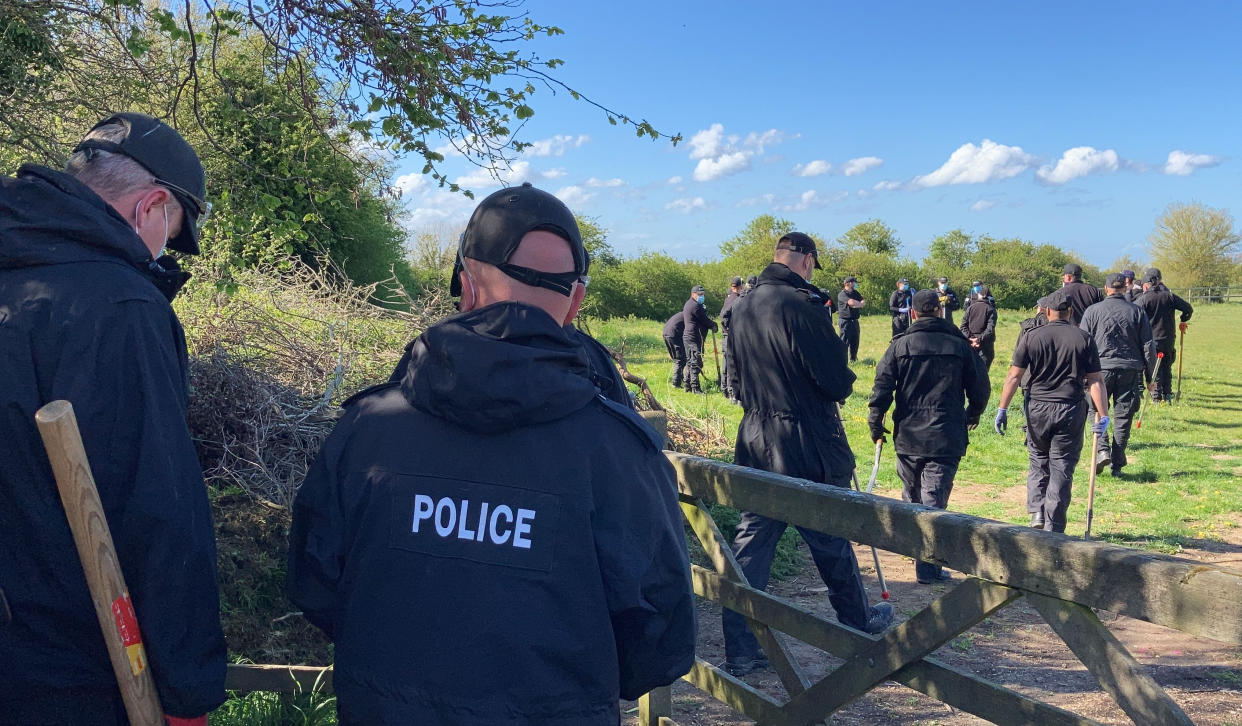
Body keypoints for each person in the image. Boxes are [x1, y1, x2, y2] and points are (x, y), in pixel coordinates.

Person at [287, 183, 696, 723]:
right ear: (574, 303)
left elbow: (314, 585)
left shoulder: (367, 428)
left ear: (466, 286)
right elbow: (659, 638)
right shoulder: (616, 450)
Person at [0, 113, 225, 723]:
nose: (160, 254)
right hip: (64, 677)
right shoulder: (120, 307)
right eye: (171, 234)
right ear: (150, 206)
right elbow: (158, 508)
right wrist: (188, 692)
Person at [721, 231, 893, 676]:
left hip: (755, 433)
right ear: (808, 261)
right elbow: (835, 381)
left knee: (753, 543)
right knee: (828, 533)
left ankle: (740, 648)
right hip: (803, 437)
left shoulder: (739, 307)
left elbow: (733, 381)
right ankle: (856, 625)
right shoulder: (802, 306)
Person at [868, 290, 990, 583]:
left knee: (913, 495)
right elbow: (981, 386)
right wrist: (973, 413)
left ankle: (920, 555)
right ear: (939, 312)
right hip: (946, 434)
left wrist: (876, 421)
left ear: (913, 314)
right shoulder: (960, 346)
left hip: (909, 433)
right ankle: (927, 566)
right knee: (933, 501)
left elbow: (882, 385)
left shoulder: (900, 346)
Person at [994, 289, 1110, 532]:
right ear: (1071, 312)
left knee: (1038, 460)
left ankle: (1037, 512)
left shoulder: (1031, 336)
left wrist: (1002, 408)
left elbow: (1014, 376)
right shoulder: (1083, 338)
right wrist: (1103, 414)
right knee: (1062, 465)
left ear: (1046, 311)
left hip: (1037, 407)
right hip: (1070, 408)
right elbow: (1096, 381)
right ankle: (1054, 523)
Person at [1079, 273, 1156, 476]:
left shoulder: (1092, 311)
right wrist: (1151, 377)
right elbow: (1148, 346)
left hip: (1099, 371)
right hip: (1130, 370)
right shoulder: (1137, 312)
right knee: (1124, 415)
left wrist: (1081, 373)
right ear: (1125, 288)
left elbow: (1082, 343)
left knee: (1095, 409)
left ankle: (1102, 449)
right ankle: (1117, 462)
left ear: (1106, 289)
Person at [1136, 268, 1193, 403]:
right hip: (1168, 338)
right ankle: (1167, 394)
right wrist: (1183, 319)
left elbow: (1133, 313)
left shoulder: (1144, 298)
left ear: (1147, 284)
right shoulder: (1169, 296)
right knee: (1166, 366)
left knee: (1154, 368)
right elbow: (1188, 309)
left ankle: (1156, 397)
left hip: (1151, 339)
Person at [681, 284, 718, 393]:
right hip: (693, 337)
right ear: (693, 294)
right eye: (699, 294)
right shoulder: (695, 306)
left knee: (689, 362)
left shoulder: (689, 304)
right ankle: (695, 388)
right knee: (694, 363)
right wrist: (713, 325)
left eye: (703, 294)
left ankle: (687, 386)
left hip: (689, 337)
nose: (702, 296)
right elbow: (704, 320)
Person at [959, 284, 999, 370]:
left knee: (970, 371)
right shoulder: (991, 310)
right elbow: (990, 329)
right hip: (986, 345)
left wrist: (970, 338)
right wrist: (978, 339)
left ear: (979, 295)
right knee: (983, 372)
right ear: (988, 296)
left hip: (970, 344)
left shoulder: (970, 308)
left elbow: (963, 326)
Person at [719, 276, 743, 399]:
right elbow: (724, 316)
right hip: (731, 336)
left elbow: (722, 316)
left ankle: (724, 389)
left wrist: (724, 330)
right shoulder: (737, 300)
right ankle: (732, 392)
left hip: (725, 336)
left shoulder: (727, 299)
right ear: (740, 287)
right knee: (732, 364)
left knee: (726, 363)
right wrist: (729, 330)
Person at [837, 276, 866, 362]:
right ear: (848, 283)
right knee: (844, 341)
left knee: (855, 341)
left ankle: (853, 359)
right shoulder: (842, 294)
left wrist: (857, 304)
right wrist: (858, 304)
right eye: (854, 282)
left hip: (855, 321)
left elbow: (863, 302)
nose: (855, 284)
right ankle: (842, 360)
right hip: (845, 321)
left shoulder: (855, 293)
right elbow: (851, 302)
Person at [662, 310, 687, 388]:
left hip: (666, 333)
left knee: (677, 358)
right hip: (674, 334)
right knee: (680, 359)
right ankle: (676, 383)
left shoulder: (681, 314)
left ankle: (680, 378)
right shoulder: (689, 315)